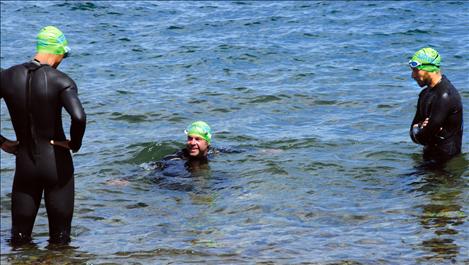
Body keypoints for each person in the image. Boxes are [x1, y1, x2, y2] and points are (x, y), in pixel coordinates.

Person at [0, 26, 86, 245]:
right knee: (60, 239)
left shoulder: (7, 77)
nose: (62, 60)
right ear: (57, 51)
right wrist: (74, 144)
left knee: (19, 238)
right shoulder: (61, 80)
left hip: (24, 162)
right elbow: (79, 117)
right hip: (56, 161)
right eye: (64, 55)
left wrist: (2, 142)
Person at [409, 47, 463, 163]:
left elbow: (423, 137)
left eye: (415, 70)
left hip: (446, 165)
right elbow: (414, 135)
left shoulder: (445, 96)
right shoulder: (425, 94)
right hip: (429, 161)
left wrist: (419, 129)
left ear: (429, 69)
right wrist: (420, 128)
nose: (412, 75)